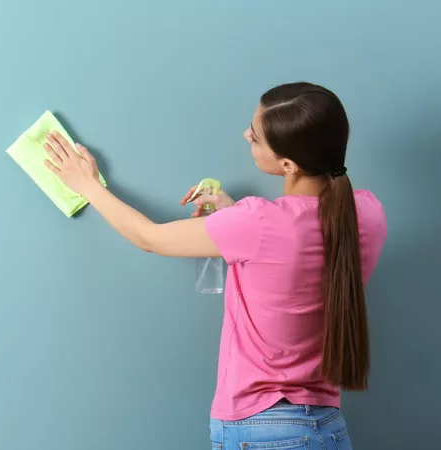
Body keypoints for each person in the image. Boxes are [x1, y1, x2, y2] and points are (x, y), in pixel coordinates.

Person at [42, 81, 387, 450]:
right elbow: (294, 245)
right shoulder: (368, 214)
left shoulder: (257, 223)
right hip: (327, 427)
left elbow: (149, 238)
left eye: (255, 137)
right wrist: (232, 213)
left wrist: (87, 185)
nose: (245, 135)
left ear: (288, 164)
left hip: (263, 429)